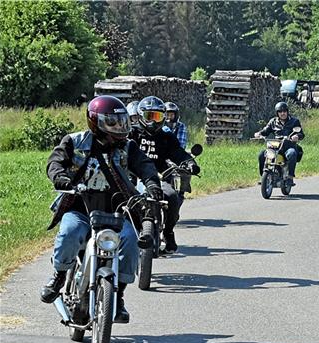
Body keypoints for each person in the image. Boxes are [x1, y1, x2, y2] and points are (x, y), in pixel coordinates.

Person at [41, 95, 163, 323]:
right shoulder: (74, 141)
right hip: (81, 207)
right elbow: (55, 161)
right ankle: (58, 275)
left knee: (130, 241)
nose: (120, 127)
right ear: (96, 122)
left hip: (117, 210)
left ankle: (120, 295)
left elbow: (145, 166)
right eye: (112, 122)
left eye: (122, 121)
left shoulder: (129, 147)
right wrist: (61, 178)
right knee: (70, 232)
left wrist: (153, 185)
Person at [129, 95, 200, 254]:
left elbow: (178, 152)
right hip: (133, 176)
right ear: (141, 115)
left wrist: (190, 163)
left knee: (172, 197)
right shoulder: (131, 133)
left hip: (159, 175)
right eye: (149, 116)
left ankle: (168, 232)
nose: (154, 121)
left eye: (158, 116)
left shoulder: (166, 136)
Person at [254, 101, 305, 186]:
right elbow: (265, 131)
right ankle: (263, 177)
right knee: (261, 155)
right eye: (280, 112)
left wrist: (297, 137)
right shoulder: (273, 121)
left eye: (284, 111)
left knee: (292, 153)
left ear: (287, 112)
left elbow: (301, 134)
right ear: (277, 113)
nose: (282, 113)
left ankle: (290, 177)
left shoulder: (294, 121)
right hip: (275, 146)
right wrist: (259, 134)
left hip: (288, 146)